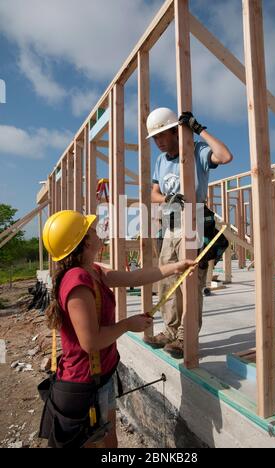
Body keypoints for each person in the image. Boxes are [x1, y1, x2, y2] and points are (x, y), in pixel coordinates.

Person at [39, 210, 196, 448]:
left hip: (102, 376)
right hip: (84, 384)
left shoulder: (94, 272)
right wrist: (126, 325)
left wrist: (175, 267)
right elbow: (90, 342)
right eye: (90, 230)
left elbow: (133, 277)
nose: (96, 231)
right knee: (97, 442)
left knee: (109, 438)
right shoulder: (77, 281)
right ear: (84, 242)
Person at [144, 108, 233, 359]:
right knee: (167, 279)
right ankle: (170, 332)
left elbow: (225, 156)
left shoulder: (196, 151)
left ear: (176, 131)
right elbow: (152, 194)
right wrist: (166, 198)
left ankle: (186, 336)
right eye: (155, 138)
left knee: (189, 281)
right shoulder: (161, 161)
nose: (158, 142)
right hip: (170, 223)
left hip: (194, 221)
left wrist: (199, 129)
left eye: (162, 135)